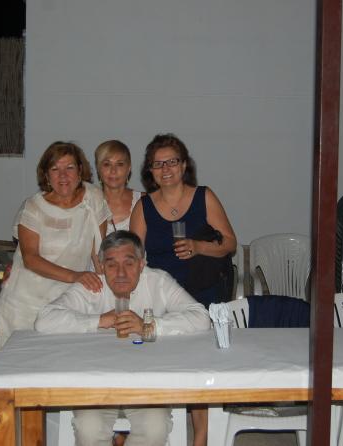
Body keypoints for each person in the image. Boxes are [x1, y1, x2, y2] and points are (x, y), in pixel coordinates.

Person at [35, 230, 209, 446]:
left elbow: (201, 317)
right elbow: (45, 319)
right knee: (89, 429)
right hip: (96, 382)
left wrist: (149, 326)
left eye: (129, 263)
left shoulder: (158, 281)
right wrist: (99, 320)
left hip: (148, 383)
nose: (120, 273)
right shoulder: (93, 286)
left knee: (154, 428)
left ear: (141, 264)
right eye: (111, 265)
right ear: (101, 266)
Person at [129, 133, 237, 446]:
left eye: (172, 162)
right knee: (165, 362)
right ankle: (160, 426)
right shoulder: (144, 207)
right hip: (163, 297)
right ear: (150, 171)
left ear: (184, 165)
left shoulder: (204, 197)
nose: (166, 169)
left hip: (204, 290)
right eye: (158, 164)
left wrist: (199, 246)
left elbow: (230, 242)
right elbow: (134, 256)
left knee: (201, 365)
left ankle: (201, 436)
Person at [0, 141, 110, 352]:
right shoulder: (32, 207)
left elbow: (98, 252)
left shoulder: (94, 197)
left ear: (80, 170)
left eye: (69, 167)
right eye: (55, 169)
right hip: (24, 305)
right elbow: (31, 259)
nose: (63, 175)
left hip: (68, 304)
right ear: (46, 175)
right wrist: (76, 276)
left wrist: (110, 289)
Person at [94, 140, 143, 234]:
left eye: (120, 164)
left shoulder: (144, 201)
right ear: (98, 168)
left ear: (129, 168)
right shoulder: (87, 203)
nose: (113, 171)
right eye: (107, 164)